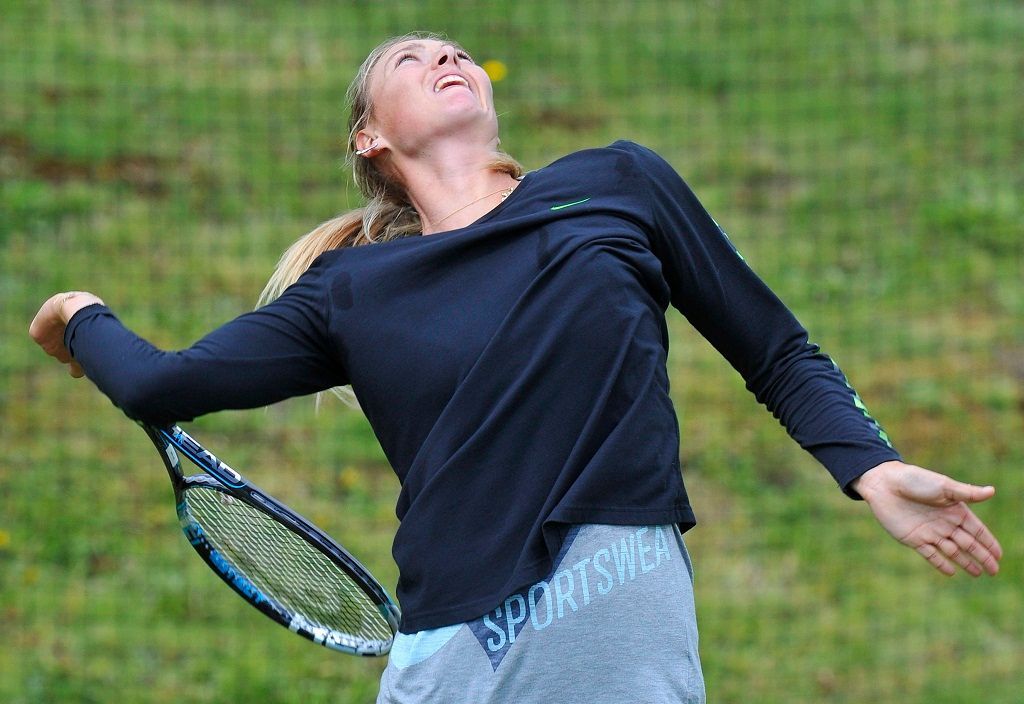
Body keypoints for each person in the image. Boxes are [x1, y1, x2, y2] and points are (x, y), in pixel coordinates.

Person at [30, 32, 1002, 704]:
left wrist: (869, 465)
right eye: (411, 60)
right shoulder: (351, 289)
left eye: (454, 50)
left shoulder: (615, 185)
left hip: (613, 578)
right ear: (370, 137)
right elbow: (161, 385)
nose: (445, 56)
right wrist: (78, 315)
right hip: (447, 633)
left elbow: (774, 346)